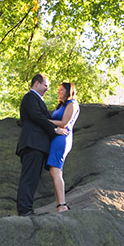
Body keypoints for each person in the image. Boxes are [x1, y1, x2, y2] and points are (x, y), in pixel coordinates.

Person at [15, 73, 67, 217]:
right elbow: (37, 116)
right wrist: (54, 129)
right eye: (45, 85)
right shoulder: (30, 98)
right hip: (32, 143)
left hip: (38, 145)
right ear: (36, 83)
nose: (47, 89)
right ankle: (24, 210)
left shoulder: (37, 99)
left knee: (33, 178)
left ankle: (27, 209)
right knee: (29, 177)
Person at [46, 81, 80, 213]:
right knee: (54, 171)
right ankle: (59, 204)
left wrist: (45, 121)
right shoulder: (61, 106)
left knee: (56, 171)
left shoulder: (72, 104)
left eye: (61, 90)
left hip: (62, 138)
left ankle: (62, 205)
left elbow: (64, 123)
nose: (58, 92)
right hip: (56, 137)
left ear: (68, 91)